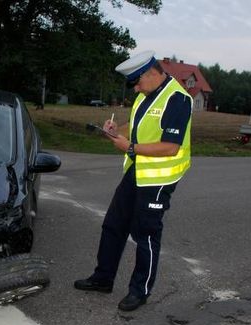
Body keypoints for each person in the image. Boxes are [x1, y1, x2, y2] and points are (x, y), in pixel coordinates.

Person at [74, 50, 192, 311]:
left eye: (137, 82)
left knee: (146, 234)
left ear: (152, 73)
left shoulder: (178, 99)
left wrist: (130, 148)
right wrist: (119, 130)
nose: (136, 89)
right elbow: (139, 124)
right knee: (114, 224)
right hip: (137, 171)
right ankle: (103, 278)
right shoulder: (146, 93)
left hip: (159, 178)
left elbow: (170, 147)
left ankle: (140, 291)